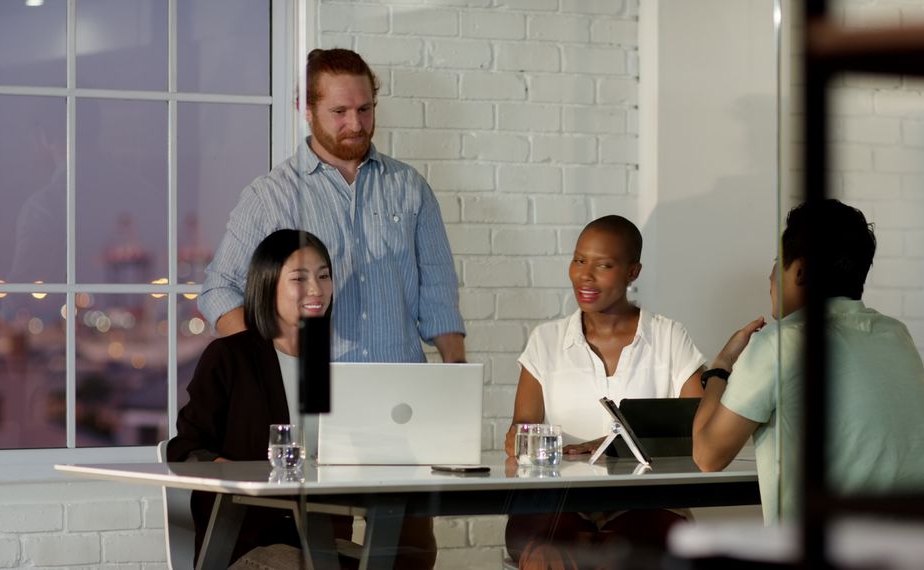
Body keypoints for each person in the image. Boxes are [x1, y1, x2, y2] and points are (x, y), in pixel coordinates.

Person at [168, 229, 437, 569]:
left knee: (408, 550)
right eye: (300, 278)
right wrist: (240, 475)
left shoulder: (328, 364)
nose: (316, 289)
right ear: (268, 285)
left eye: (324, 276)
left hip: (323, 542)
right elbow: (185, 448)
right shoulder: (230, 357)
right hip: (247, 544)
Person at [199, 48, 465, 364]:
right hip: (313, 383)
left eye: (365, 109)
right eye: (340, 111)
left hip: (402, 383)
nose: (356, 124)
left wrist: (458, 374)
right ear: (306, 110)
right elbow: (219, 289)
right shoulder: (270, 196)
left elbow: (439, 293)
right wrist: (268, 363)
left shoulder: (411, 188)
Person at [691, 199, 924, 524]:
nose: (770, 277)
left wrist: (721, 366)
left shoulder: (780, 343)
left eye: (777, 263)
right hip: (922, 544)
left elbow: (707, 456)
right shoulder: (896, 334)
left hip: (827, 544)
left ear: (799, 271)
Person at [503, 215, 708, 568]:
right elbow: (520, 431)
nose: (585, 275)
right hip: (562, 501)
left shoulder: (670, 337)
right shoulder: (545, 341)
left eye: (604, 265)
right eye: (579, 260)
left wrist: (616, 446)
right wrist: (525, 439)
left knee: (626, 553)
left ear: (632, 272)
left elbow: (699, 431)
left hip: (647, 502)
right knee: (544, 549)